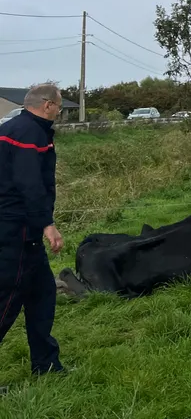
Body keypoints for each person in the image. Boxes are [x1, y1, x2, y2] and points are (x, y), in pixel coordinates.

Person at [0, 83, 67, 377]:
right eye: (60, 106)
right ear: (47, 105)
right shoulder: (28, 133)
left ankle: (46, 364)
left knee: (43, 294)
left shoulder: (16, 128)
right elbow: (29, 183)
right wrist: (47, 224)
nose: (60, 111)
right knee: (7, 300)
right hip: (15, 229)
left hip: (24, 230)